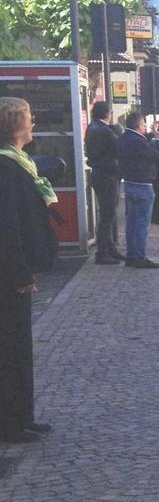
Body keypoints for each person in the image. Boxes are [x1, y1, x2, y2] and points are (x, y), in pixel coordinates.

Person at [0, 97, 58, 444]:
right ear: (14, 124)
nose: (33, 123)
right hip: (9, 276)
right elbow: (7, 226)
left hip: (18, 270)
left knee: (21, 346)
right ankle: (9, 423)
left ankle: (23, 415)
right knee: (10, 348)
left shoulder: (20, 162)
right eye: (29, 118)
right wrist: (20, 273)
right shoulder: (6, 167)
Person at [116, 111, 159, 269]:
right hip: (143, 185)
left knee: (131, 221)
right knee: (141, 223)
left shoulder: (123, 139)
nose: (145, 128)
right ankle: (139, 256)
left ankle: (131, 255)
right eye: (144, 125)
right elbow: (157, 157)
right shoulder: (138, 141)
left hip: (129, 183)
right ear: (138, 125)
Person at [85, 100, 123, 264]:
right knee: (107, 215)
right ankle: (102, 252)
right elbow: (119, 146)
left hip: (100, 174)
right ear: (107, 113)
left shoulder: (92, 127)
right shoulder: (104, 130)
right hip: (107, 174)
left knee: (108, 213)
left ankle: (110, 247)